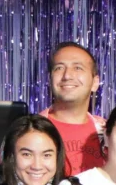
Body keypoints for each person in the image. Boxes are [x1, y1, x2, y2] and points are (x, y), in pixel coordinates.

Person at [40, 41, 105, 176]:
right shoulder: (26, 131)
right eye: (59, 68)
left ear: (95, 82)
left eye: (78, 68)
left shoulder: (110, 132)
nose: (67, 76)